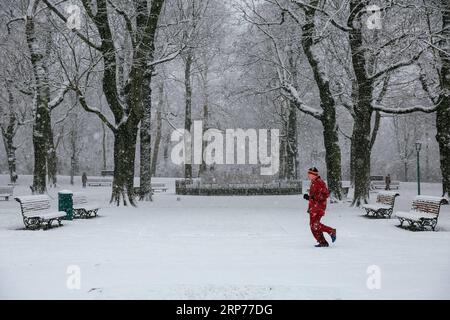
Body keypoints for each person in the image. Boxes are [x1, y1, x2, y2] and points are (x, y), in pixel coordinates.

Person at [303, 167, 336, 247]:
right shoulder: (313, 182)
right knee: (313, 226)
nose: (308, 175)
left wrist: (314, 198)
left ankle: (331, 231)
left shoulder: (320, 182)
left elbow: (326, 194)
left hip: (318, 208)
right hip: (313, 207)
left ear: (314, 175)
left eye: (309, 173)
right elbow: (315, 196)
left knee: (315, 225)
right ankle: (322, 242)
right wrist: (309, 197)